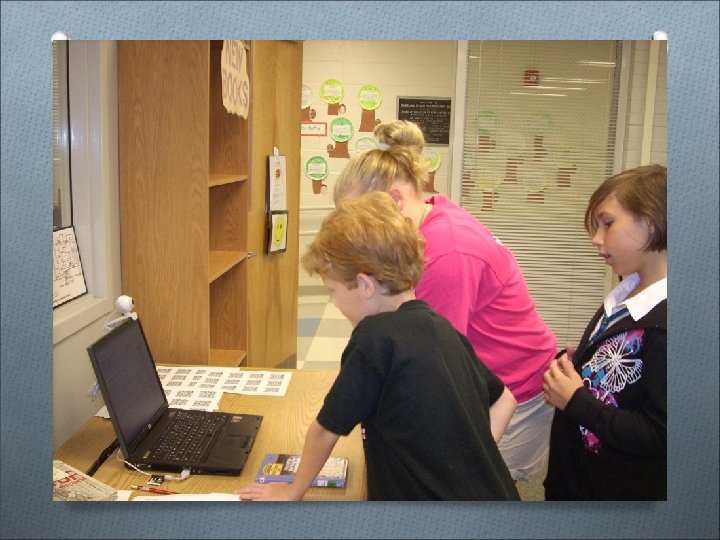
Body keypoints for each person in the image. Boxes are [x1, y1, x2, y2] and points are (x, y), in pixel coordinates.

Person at [236, 191, 520, 501]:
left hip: (431, 519)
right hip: (494, 504)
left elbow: (325, 430)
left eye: (333, 290)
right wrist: (468, 464)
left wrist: (293, 490)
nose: (336, 303)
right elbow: (505, 400)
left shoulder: (374, 338)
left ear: (365, 285)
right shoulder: (442, 328)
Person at [333, 119, 558, 482]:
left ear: (394, 200)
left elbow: (431, 366)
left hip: (515, 390)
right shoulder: (426, 215)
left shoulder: (444, 252)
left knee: (469, 488)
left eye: (358, 219)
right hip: (492, 380)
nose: (354, 233)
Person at [542, 164, 667, 500]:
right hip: (576, 480)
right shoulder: (625, 296)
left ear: (651, 221)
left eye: (608, 224)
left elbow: (661, 435)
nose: (596, 239)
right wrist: (575, 368)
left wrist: (575, 401)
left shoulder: (668, 325)